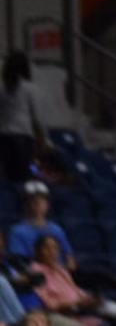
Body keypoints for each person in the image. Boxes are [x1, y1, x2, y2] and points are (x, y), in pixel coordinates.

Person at [29, 236, 116, 325]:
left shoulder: (60, 270)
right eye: (47, 248)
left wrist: (89, 299)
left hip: (80, 311)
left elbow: (75, 290)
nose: (52, 252)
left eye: (55, 248)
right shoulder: (36, 272)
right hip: (57, 315)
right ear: (38, 251)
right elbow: (50, 305)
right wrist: (76, 304)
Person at [0, 55, 47, 183]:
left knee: (9, 179)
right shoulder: (30, 89)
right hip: (23, 139)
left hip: (4, 138)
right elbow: (38, 118)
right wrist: (43, 139)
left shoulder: (2, 88)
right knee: (24, 178)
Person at [9, 184, 74, 269]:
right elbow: (18, 261)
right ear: (26, 204)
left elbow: (70, 260)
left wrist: (61, 272)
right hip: (35, 276)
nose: (39, 204)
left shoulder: (56, 229)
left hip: (58, 273)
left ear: (47, 204)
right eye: (34, 201)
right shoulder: (17, 231)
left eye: (42, 200)